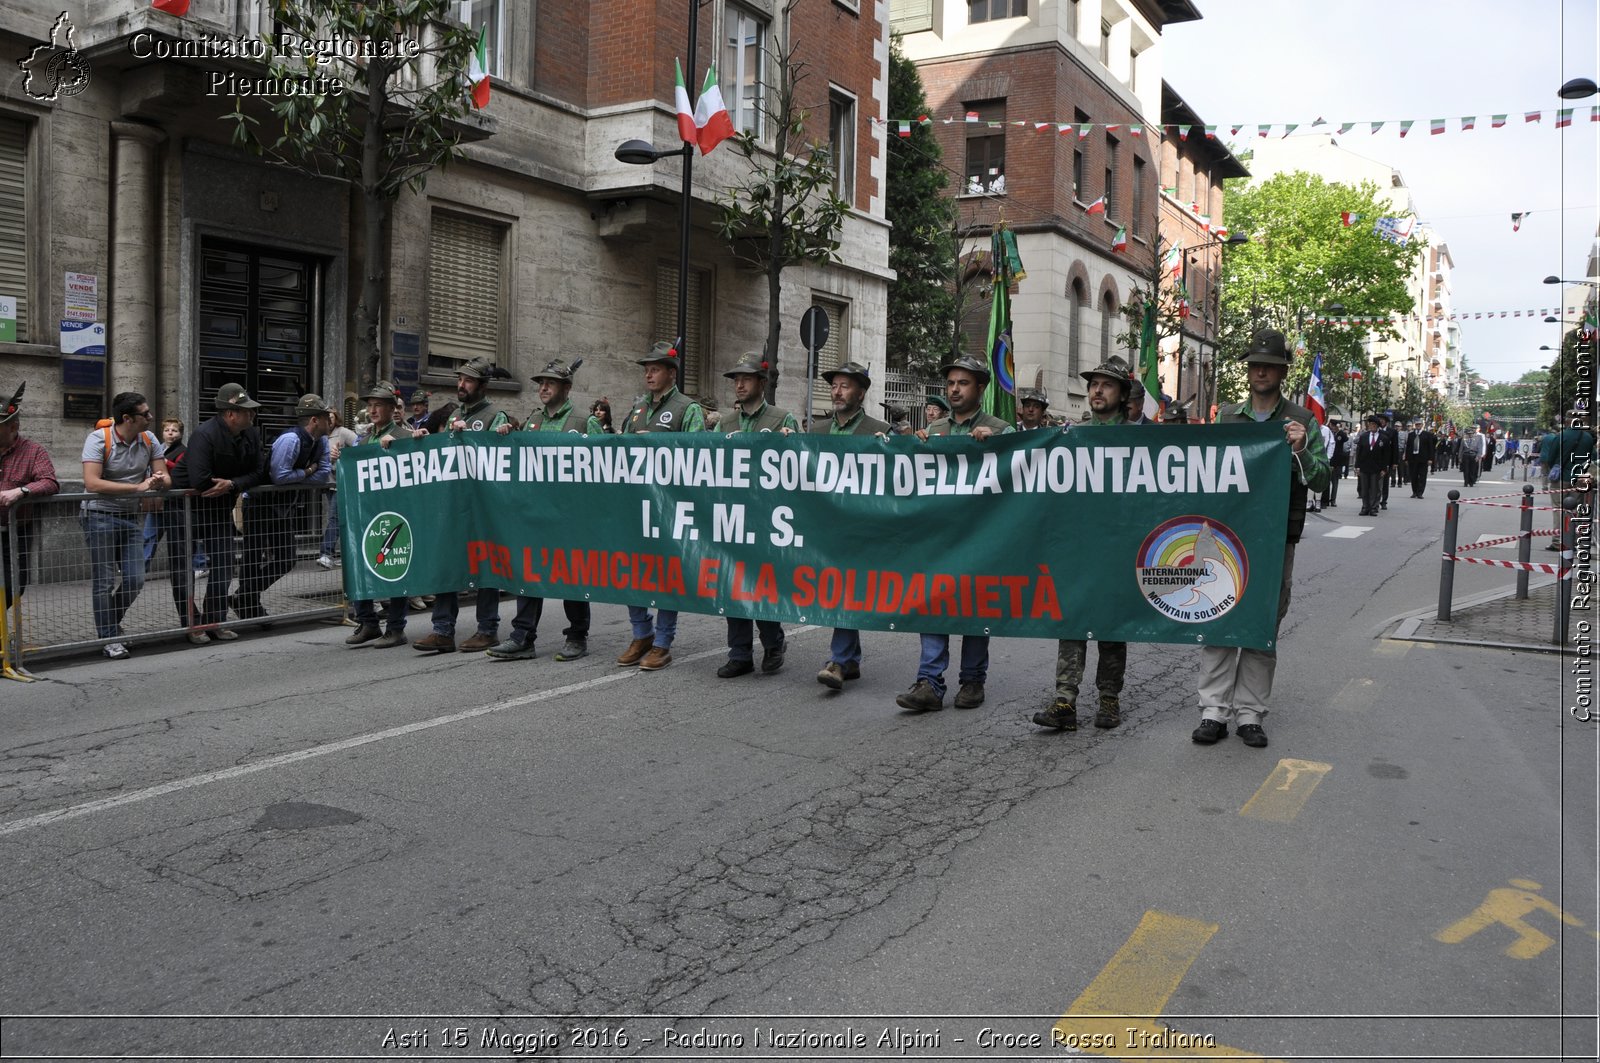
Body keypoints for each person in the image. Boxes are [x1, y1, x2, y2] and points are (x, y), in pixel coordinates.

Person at [1192, 329, 1328, 749]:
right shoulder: (1227, 418)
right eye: (1255, 365)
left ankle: (1250, 713)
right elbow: (1202, 472)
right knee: (1219, 614)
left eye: (1269, 365)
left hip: (1274, 540)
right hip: (1226, 538)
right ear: (1248, 370)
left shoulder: (1303, 422)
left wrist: (1303, 449)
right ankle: (1213, 710)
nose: (1261, 371)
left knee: (1263, 620)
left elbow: (1323, 479)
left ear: (1283, 371)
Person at [896, 354, 1013, 714]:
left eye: (963, 383)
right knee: (932, 601)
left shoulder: (1001, 429)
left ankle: (972, 680)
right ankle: (929, 682)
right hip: (939, 539)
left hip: (981, 537)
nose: (955, 389)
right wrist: (916, 447)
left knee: (975, 606)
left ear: (980, 387)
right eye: (950, 383)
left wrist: (998, 444)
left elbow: (1022, 471)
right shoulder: (934, 431)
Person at [1034, 359, 1132, 732]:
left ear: (1122, 394)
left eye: (1107, 385)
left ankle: (1109, 698)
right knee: (1071, 617)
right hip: (1078, 544)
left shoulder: (1140, 438)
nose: (1097, 391)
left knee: (1111, 623)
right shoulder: (1071, 434)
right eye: (1094, 384)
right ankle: (1065, 700)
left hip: (1119, 545)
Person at [483, 358, 595, 662]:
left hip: (570, 515)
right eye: (540, 383)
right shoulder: (532, 421)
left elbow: (603, 470)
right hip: (536, 515)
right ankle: (522, 636)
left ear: (566, 388)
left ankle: (577, 636)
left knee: (571, 574)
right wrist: (508, 436)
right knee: (529, 572)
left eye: (550, 383)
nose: (543, 388)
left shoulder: (585, 422)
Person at [617, 340, 706, 671]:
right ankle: (641, 632)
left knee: (667, 574)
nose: (648, 374)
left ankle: (662, 642)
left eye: (655, 369)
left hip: (669, 507)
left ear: (672, 372)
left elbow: (696, 457)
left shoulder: (688, 409)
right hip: (637, 503)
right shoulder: (638, 408)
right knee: (632, 569)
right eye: (646, 370)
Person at [414, 358, 514, 652]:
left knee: (485, 566)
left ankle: (487, 629)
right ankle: (442, 630)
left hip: (483, 508)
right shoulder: (455, 413)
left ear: (482, 386)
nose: (461, 385)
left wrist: (488, 435)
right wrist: (423, 440)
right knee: (447, 563)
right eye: (460, 379)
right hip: (454, 506)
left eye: (468, 381)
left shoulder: (496, 415)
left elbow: (499, 457)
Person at [714, 353, 798, 678]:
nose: (739, 384)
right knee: (733, 584)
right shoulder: (726, 423)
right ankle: (739, 653)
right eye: (736, 379)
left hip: (765, 516)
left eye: (745, 378)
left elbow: (798, 468)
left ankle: (773, 642)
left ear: (761, 383)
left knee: (760, 585)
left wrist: (792, 443)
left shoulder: (782, 419)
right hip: (732, 514)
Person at [811, 361, 890, 691]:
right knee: (837, 588)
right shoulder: (815, 432)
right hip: (824, 527)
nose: (836, 391)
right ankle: (851, 658)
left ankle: (839, 660)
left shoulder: (880, 431)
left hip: (860, 527)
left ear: (861, 392)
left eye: (844, 386)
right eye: (833, 385)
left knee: (842, 586)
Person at [174, 383, 266, 641]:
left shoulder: (251, 435)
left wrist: (233, 484)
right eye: (247, 411)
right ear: (230, 414)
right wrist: (232, 483)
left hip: (218, 508)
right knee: (183, 569)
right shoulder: (205, 435)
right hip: (186, 509)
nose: (253, 414)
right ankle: (192, 625)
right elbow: (201, 479)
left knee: (224, 566)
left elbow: (260, 472)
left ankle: (215, 620)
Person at [80, 391, 169, 658]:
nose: (151, 418)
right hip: (99, 515)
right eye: (145, 414)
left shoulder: (148, 438)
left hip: (130, 516)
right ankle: (108, 637)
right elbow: (92, 483)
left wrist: (158, 481)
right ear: (127, 418)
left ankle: (109, 624)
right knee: (104, 581)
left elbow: (165, 478)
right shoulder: (98, 439)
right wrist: (138, 487)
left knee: (135, 578)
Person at [231, 393, 334, 620]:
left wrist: (301, 476)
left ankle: (243, 595)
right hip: (259, 504)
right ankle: (249, 605)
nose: (331, 420)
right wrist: (308, 471)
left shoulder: (322, 441)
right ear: (314, 420)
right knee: (253, 556)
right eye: (327, 416)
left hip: (284, 507)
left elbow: (324, 476)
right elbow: (279, 476)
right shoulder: (291, 440)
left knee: (286, 558)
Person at [345, 381, 420, 648]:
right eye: (370, 405)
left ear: (392, 409)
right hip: (368, 515)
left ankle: (396, 628)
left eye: (379, 405)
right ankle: (368, 622)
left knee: (395, 569)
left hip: (395, 514)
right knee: (360, 565)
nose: (373, 410)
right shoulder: (364, 441)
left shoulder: (403, 436)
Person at [0, 383, 60, 610]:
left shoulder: (34, 450)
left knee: (15, 585)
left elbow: (50, 482)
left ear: (13, 426)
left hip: (15, 532)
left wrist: (21, 491)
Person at [1544, 408, 1597, 548]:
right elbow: (1592, 458)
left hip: (1561, 478)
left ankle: (1557, 541)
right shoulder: (1587, 438)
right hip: (1579, 478)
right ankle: (1573, 540)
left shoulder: (1561, 436)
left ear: (1567, 421)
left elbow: (1551, 458)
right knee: (1576, 509)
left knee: (1558, 508)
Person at [318, 410, 359, 568]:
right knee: (341, 518)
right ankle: (348, 553)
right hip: (328, 483)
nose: (328, 419)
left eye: (331, 417)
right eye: (326, 417)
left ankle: (326, 553)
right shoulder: (321, 435)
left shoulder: (342, 432)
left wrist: (343, 455)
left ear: (336, 419)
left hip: (342, 483)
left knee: (335, 517)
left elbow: (359, 445)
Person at [1353, 413, 1392, 517]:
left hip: (1377, 468)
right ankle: (1365, 507)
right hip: (1364, 467)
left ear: (1377, 426)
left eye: (1374, 425)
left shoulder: (1384, 438)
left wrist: (1384, 468)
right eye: (1370, 425)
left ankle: (1374, 508)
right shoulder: (1364, 436)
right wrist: (1357, 466)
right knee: (1365, 488)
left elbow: (1386, 455)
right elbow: (1359, 452)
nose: (1372, 427)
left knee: (1375, 489)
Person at [1406, 419, 1436, 498]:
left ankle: (1420, 492)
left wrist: (1430, 459)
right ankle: (1414, 492)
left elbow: (1431, 448)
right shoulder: (1411, 435)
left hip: (1423, 459)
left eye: (1419, 424)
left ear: (1422, 425)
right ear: (1414, 426)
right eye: (1416, 425)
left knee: (1422, 476)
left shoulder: (1427, 435)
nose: (1418, 426)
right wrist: (1406, 458)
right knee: (1413, 475)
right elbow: (1408, 447)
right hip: (1413, 458)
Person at [1323, 418, 1349, 508]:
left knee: (1335, 482)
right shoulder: (1328, 433)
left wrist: (1340, 430)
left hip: (1337, 462)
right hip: (1328, 460)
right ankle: (1325, 500)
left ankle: (1333, 500)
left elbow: (1346, 439)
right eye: (1331, 426)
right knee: (1326, 482)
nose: (1332, 427)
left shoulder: (1340, 434)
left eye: (1333, 426)